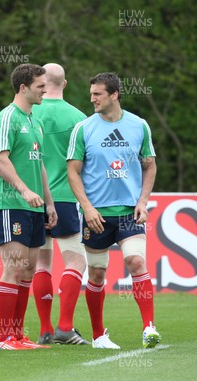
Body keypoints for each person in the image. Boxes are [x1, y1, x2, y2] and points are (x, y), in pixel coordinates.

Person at [67, 72, 161, 349]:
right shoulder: (83, 128)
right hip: (96, 215)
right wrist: (87, 207)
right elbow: (73, 171)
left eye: (97, 94)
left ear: (114, 95)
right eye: (91, 93)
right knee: (96, 274)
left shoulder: (139, 125)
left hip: (129, 213)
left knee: (136, 262)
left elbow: (150, 164)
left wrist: (143, 201)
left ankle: (149, 328)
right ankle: (98, 336)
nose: (92, 98)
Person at [0, 63, 57, 350]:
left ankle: (17, 335)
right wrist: (24, 190)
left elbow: (39, 164)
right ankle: (4, 337)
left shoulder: (35, 121)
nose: (45, 90)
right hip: (10, 204)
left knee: (28, 271)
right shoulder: (7, 118)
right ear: (23, 88)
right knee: (13, 268)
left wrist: (49, 202)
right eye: (41, 86)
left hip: (33, 207)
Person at [31, 63, 89, 345]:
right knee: (76, 260)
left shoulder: (28, 112)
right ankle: (65, 326)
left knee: (42, 263)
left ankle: (45, 329)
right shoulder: (79, 118)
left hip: (33, 198)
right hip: (65, 197)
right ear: (64, 84)